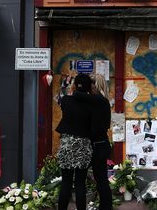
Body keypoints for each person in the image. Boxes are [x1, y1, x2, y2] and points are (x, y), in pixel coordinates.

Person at [74, 74, 112, 210]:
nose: (89, 86)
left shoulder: (99, 100)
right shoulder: (100, 101)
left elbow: (77, 95)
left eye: (91, 83)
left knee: (101, 180)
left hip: (99, 145)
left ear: (96, 85)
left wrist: (78, 83)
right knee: (101, 180)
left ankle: (106, 207)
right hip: (100, 144)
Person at [56, 73, 93, 210]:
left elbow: (65, 95)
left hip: (67, 143)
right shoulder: (91, 103)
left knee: (66, 182)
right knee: (80, 183)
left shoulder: (66, 100)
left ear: (74, 85)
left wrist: (72, 87)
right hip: (83, 144)